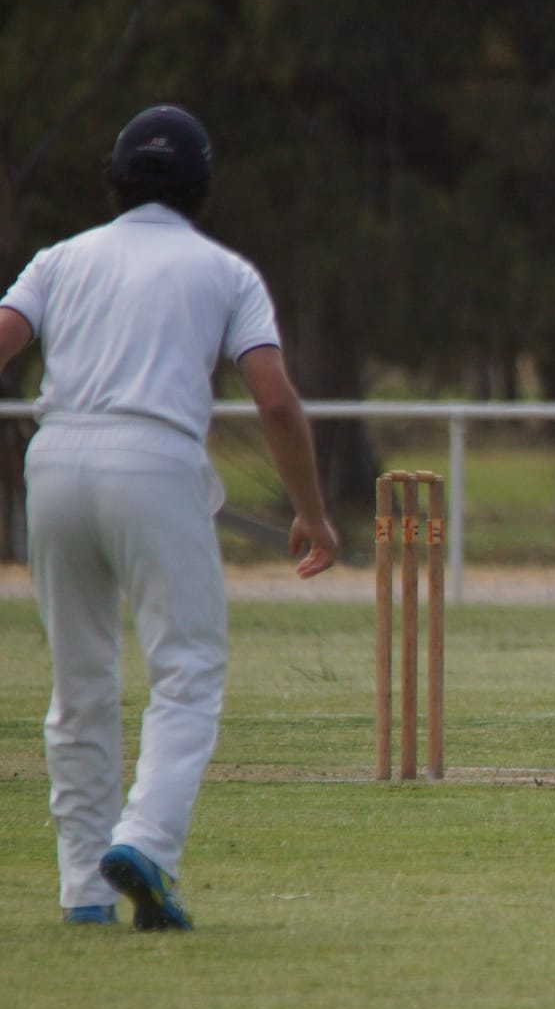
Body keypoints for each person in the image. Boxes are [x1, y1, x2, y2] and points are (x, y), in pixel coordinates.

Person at [0, 104, 339, 930]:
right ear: (201, 187)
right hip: (154, 461)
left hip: (56, 459)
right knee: (186, 669)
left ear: (115, 181)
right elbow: (275, 399)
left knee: (79, 680)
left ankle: (83, 888)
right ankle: (145, 842)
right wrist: (312, 514)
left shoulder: (60, 259)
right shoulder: (224, 271)